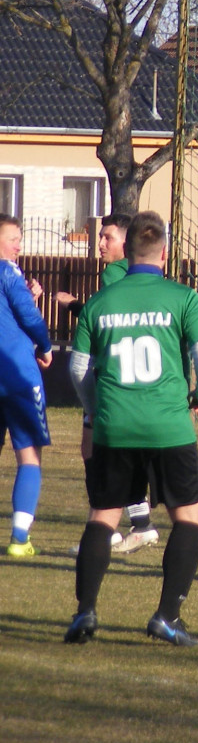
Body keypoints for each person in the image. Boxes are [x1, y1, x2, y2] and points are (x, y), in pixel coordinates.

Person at [65, 211, 198, 646]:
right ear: (164, 254)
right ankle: (166, 617)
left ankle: (85, 612)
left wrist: (97, 410)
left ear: (127, 252)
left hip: (114, 427)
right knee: (189, 518)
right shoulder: (183, 297)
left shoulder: (100, 302)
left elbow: (78, 369)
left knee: (103, 517)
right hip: (169, 426)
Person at [56, 213, 158, 552]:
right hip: (139, 378)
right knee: (111, 451)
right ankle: (136, 524)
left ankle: (107, 531)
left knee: (99, 452)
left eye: (107, 237)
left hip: (110, 376)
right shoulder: (144, 276)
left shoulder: (115, 273)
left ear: (126, 243)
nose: (100, 243)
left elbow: (110, 318)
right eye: (100, 236)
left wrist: (75, 306)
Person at [0, 214, 52, 557]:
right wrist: (45, 346)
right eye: (13, 238)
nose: (19, 245)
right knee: (29, 455)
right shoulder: (8, 271)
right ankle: (19, 538)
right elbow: (28, 317)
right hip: (17, 375)